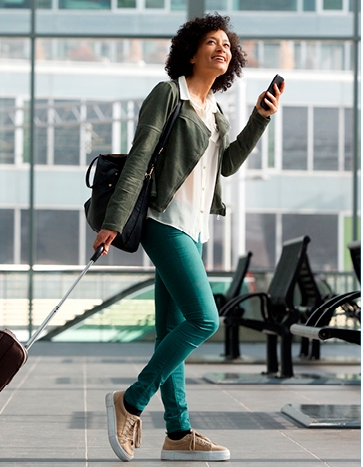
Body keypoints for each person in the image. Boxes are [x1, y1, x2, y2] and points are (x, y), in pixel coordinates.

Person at [93, 13, 285, 463]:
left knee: (170, 332)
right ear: (191, 51)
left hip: (194, 229)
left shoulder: (215, 111)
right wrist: (114, 220)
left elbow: (229, 165)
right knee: (204, 321)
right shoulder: (169, 94)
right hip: (164, 222)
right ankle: (132, 401)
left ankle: (178, 433)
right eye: (212, 42)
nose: (223, 49)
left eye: (227, 45)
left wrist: (260, 117)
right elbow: (140, 158)